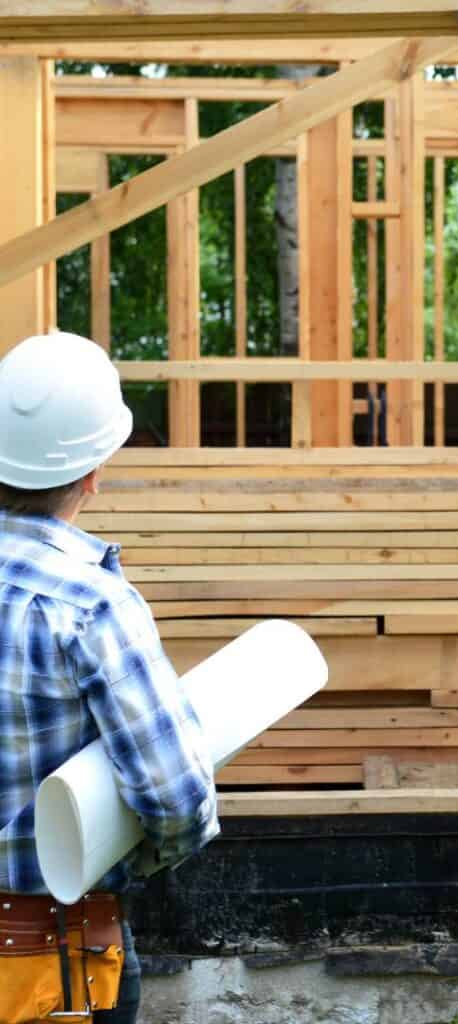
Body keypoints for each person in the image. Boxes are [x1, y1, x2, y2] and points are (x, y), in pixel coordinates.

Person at [0, 333, 219, 1024]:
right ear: (93, 471)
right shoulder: (89, 605)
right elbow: (177, 802)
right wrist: (136, 854)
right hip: (54, 964)